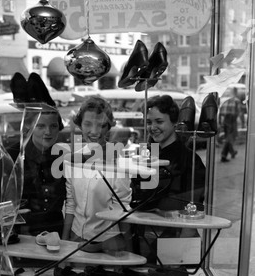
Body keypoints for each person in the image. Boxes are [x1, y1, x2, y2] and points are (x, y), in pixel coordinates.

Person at [131, 95, 206, 245]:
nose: (153, 127)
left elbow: (193, 210)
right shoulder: (145, 155)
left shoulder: (189, 160)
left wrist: (178, 253)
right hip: (142, 236)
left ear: (174, 122)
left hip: (174, 237)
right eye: (149, 122)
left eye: (159, 121)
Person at [62, 97, 133, 253]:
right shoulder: (73, 161)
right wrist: (65, 243)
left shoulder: (118, 164)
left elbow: (122, 209)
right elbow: (71, 203)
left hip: (107, 242)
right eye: (88, 124)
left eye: (100, 125)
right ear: (80, 124)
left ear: (108, 128)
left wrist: (128, 253)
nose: (94, 131)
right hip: (76, 236)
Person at [0, 105, 67, 237]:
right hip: (18, 236)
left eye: (53, 126)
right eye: (40, 126)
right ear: (30, 127)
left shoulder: (62, 157)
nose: (48, 132)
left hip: (55, 236)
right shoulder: (10, 157)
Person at [219, 87, 241, 163]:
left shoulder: (226, 101)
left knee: (229, 138)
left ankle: (231, 152)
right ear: (236, 92)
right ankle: (224, 155)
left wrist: (221, 123)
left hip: (225, 121)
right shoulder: (236, 101)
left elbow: (221, 113)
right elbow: (238, 113)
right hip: (231, 121)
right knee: (229, 139)